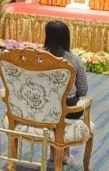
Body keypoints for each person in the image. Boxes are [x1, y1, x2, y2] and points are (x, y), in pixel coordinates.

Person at [43, 20, 88, 165]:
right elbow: (83, 89)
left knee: (52, 107)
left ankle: (53, 151)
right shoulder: (74, 60)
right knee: (63, 108)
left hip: (39, 105)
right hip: (67, 108)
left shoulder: (37, 56)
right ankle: (63, 152)